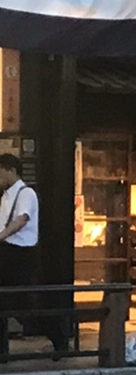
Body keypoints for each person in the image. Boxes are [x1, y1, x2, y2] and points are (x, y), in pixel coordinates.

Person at [0, 152, 67, 355]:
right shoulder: (5, 196)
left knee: (25, 305)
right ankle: (2, 351)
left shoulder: (26, 193)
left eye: (0, 173)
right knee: (3, 302)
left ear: (11, 170)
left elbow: (21, 220)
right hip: (5, 252)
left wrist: (1, 235)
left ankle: (58, 337)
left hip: (21, 254)